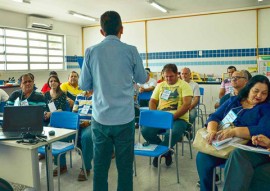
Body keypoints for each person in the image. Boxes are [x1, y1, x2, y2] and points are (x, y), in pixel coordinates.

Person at [79, 11, 147, 191]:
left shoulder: (91, 51)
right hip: (125, 119)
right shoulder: (131, 50)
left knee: (100, 168)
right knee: (125, 168)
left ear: (101, 31)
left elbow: (84, 83)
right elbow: (142, 78)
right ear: (121, 29)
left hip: (100, 119)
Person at [196, 75, 270, 191]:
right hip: (224, 144)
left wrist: (234, 132)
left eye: (264, 93)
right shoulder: (233, 101)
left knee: (237, 156)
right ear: (249, 88)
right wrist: (212, 131)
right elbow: (214, 116)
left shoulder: (266, 108)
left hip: (246, 147)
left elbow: (263, 130)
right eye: (256, 91)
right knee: (203, 157)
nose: (259, 96)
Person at [141, 63, 193, 167]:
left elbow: (187, 104)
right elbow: (152, 101)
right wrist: (155, 114)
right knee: (146, 131)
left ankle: (159, 154)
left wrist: (172, 117)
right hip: (161, 117)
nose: (168, 79)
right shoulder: (160, 85)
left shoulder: (184, 85)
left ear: (177, 74)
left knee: (172, 133)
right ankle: (167, 151)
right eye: (166, 76)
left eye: (171, 76)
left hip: (179, 118)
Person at [72, 90, 93, 181]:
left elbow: (102, 114)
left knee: (87, 137)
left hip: (92, 124)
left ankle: (85, 167)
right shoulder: (79, 96)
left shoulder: (99, 95)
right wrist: (76, 122)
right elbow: (74, 112)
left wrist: (89, 122)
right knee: (62, 135)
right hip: (78, 124)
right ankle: (61, 164)